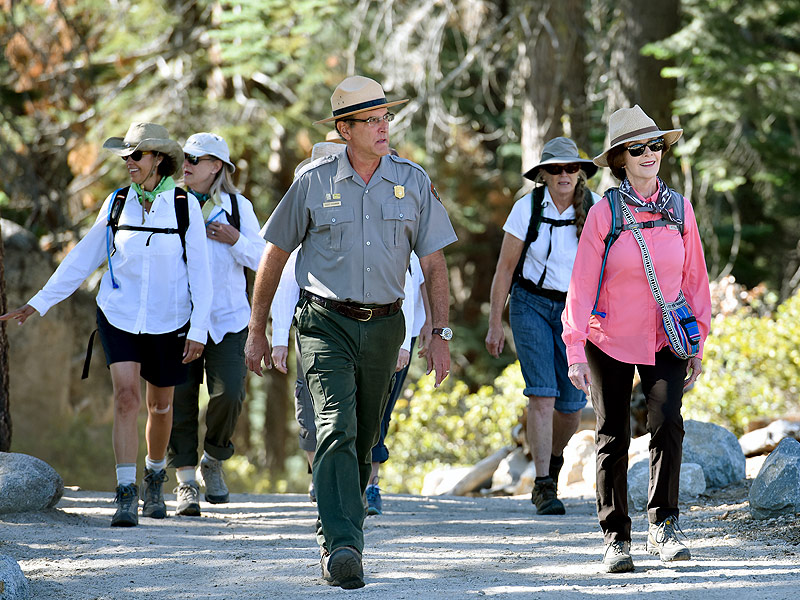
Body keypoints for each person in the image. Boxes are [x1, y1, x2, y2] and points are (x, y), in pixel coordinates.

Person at [245, 75, 457, 589]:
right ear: (345, 129)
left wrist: (440, 333)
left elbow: (433, 264)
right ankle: (342, 544)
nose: (384, 127)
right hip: (324, 322)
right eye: (372, 120)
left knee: (363, 437)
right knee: (335, 425)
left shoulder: (411, 181)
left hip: (386, 326)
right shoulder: (313, 182)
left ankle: (342, 525)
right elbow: (273, 256)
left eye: (386, 117)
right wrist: (257, 330)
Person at [0, 122, 212, 527]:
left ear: (159, 160)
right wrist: (38, 303)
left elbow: (201, 275)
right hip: (119, 316)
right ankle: (126, 492)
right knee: (126, 399)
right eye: (126, 156)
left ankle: (154, 474)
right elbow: (82, 258)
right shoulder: (116, 204)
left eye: (137, 155)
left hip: (170, 320)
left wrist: (198, 330)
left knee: (160, 406)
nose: (128, 162)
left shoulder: (184, 207)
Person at [562, 105, 711, 572]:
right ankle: (615, 538)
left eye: (655, 146)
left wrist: (698, 340)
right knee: (612, 435)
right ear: (620, 159)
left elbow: (695, 281)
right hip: (608, 339)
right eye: (637, 148)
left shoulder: (680, 208)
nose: (649, 154)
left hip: (666, 337)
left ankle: (664, 526)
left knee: (667, 423)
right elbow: (581, 285)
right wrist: (574, 348)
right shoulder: (605, 213)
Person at [485, 136, 599, 515]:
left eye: (570, 168)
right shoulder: (526, 208)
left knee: (571, 405)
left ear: (580, 172)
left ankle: (553, 460)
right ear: (544, 175)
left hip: (575, 313)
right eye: (555, 168)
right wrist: (495, 324)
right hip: (530, 305)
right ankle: (544, 483)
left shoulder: (596, 208)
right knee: (542, 393)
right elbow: (504, 269)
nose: (564, 174)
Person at [167, 133, 265, 516]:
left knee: (229, 394)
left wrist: (234, 237)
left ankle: (213, 458)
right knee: (179, 400)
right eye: (185, 157)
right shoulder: (170, 204)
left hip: (229, 319)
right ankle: (186, 482)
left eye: (196, 158)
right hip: (179, 319)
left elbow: (262, 259)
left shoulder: (239, 207)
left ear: (217, 167)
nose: (186, 163)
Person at [365, 250, 431, 515]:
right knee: (362, 407)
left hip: (405, 331)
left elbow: (422, 279)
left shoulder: (414, 228)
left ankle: (372, 485)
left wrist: (431, 324)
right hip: (365, 326)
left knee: (382, 410)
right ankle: (357, 484)